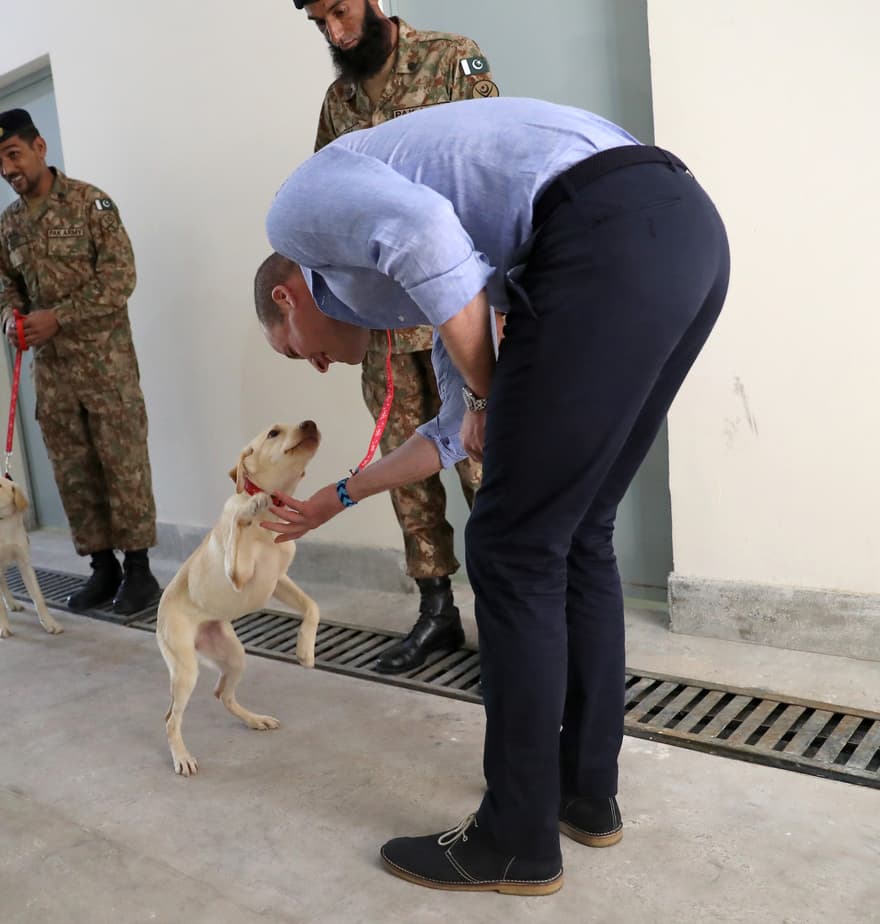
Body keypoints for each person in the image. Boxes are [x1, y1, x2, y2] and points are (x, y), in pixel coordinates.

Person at [253, 97, 729, 895]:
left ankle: (515, 838)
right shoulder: (417, 292)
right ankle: (585, 793)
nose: (317, 367)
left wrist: (488, 396)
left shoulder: (296, 215)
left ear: (286, 300)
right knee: (576, 530)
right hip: (680, 232)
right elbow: (449, 429)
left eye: (295, 353)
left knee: (512, 545)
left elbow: (428, 243)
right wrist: (340, 493)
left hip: (604, 233)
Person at [294, 0, 498, 673]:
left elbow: (490, 173)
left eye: (342, 11)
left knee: (482, 464)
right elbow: (330, 204)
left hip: (454, 309)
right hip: (383, 320)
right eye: (320, 22)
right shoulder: (338, 101)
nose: (336, 32)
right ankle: (436, 609)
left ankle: (506, 616)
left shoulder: (448, 59)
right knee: (407, 478)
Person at [0, 109, 159, 616]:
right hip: (53, 373)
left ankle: (140, 573)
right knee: (74, 472)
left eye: (13, 155)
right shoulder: (10, 223)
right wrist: (10, 320)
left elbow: (120, 278)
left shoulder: (89, 203)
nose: (8, 169)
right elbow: (7, 285)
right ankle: (103, 569)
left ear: (39, 147)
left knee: (122, 467)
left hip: (105, 367)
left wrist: (60, 316)